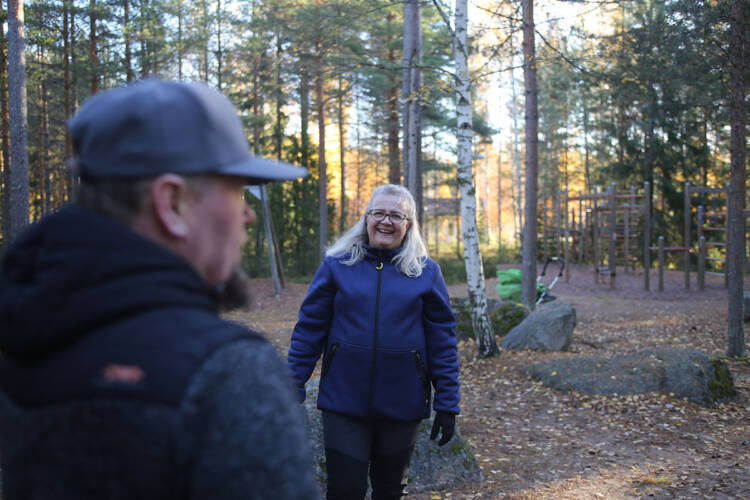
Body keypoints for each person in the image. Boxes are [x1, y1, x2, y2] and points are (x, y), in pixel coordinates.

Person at [0, 79, 320, 500]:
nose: (246, 215)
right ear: (172, 203)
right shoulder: (225, 375)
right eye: (235, 190)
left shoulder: (20, 334)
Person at [287, 184, 460, 500]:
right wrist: (292, 383)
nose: (386, 221)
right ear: (366, 218)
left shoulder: (425, 272)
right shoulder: (337, 265)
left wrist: (447, 402)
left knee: (390, 491)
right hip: (344, 401)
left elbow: (443, 341)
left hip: (402, 403)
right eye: (378, 213)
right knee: (345, 490)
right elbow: (309, 330)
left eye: (397, 215)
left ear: (408, 225)